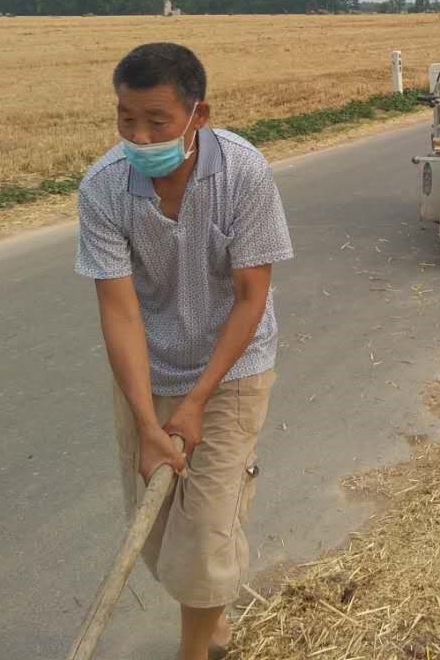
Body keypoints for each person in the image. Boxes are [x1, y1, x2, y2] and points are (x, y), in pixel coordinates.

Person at [75, 42, 294, 660]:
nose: (139, 137)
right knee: (157, 527)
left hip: (233, 367)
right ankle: (209, 616)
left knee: (204, 527)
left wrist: (198, 400)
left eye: (157, 121)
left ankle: (194, 649)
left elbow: (251, 297)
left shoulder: (243, 173)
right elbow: (119, 311)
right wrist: (149, 425)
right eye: (126, 119)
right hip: (148, 370)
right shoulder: (103, 188)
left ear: (199, 115)